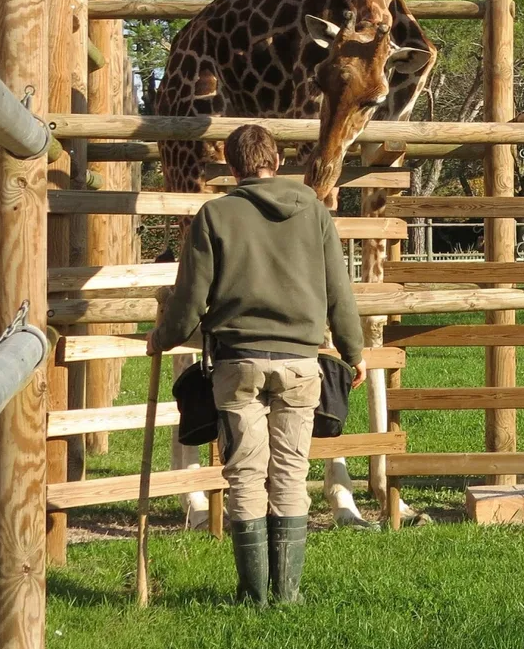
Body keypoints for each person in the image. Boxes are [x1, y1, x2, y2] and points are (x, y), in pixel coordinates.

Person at [147, 123, 365, 605]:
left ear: (230, 164)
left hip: (237, 363)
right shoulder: (313, 211)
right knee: (290, 472)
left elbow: (188, 303)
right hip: (300, 364)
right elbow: (339, 292)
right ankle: (287, 594)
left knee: (245, 475)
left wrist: (161, 338)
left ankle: (253, 594)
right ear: (278, 161)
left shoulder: (214, 215)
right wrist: (354, 352)